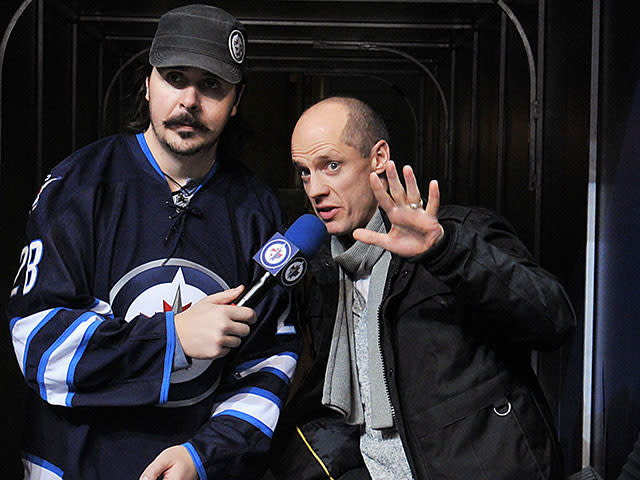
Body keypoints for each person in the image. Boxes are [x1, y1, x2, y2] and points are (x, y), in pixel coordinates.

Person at [7, 5, 299, 480]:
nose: (189, 100)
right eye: (175, 77)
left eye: (211, 86)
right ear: (148, 83)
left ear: (236, 100)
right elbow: (37, 345)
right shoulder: (77, 187)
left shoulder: (256, 210)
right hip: (71, 465)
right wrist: (174, 339)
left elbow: (271, 360)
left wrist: (204, 454)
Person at [269, 96, 576, 480]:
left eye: (331, 166)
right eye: (305, 172)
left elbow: (553, 319)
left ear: (378, 158)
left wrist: (446, 252)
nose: (315, 189)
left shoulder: (458, 234)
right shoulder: (331, 274)